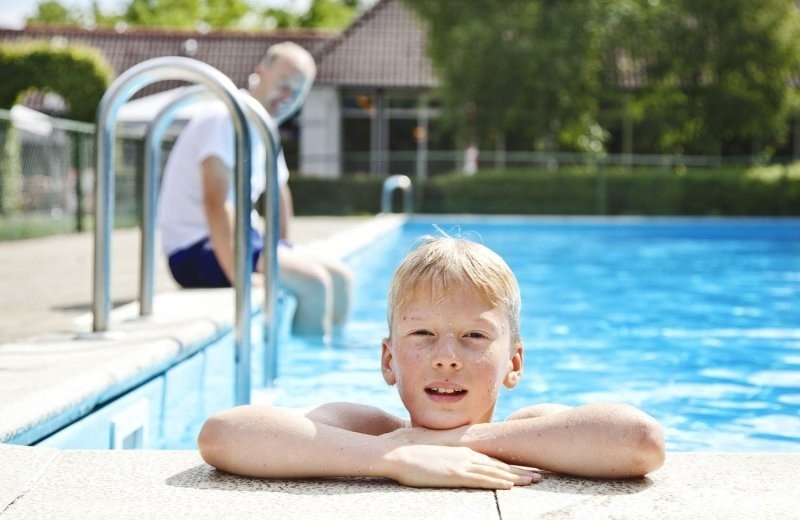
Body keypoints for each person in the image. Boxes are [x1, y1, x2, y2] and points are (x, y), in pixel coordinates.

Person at [197, 236, 666, 488]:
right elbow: (223, 435)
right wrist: (396, 456)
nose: (446, 358)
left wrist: (449, 441)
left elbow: (639, 440)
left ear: (514, 363)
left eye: (475, 336)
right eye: (421, 334)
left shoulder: (533, 429)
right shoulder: (369, 428)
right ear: (389, 360)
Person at [157, 42, 351, 337]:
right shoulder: (225, 118)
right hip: (197, 250)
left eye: (297, 92)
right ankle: (304, 369)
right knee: (315, 285)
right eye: (283, 85)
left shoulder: (264, 129)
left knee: (341, 278)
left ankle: (328, 358)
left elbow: (279, 194)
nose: (288, 97)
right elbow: (215, 202)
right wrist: (240, 276)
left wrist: (285, 250)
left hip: (240, 240)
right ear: (260, 74)